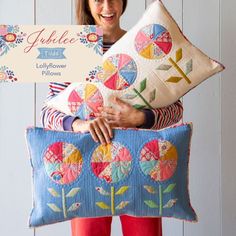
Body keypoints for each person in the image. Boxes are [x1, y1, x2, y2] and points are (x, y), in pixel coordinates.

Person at [40, 0, 183, 235]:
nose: (107, 7)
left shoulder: (144, 47)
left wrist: (140, 118)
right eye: (98, 0)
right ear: (86, 3)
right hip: (86, 166)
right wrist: (79, 124)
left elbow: (176, 109)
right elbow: (48, 113)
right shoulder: (72, 51)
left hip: (141, 166)